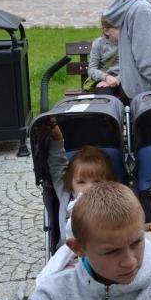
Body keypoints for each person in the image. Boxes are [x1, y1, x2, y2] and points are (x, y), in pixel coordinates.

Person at [25, 182, 151, 300]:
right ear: (77, 248)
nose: (130, 261)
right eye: (111, 251)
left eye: (136, 242)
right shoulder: (49, 299)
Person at [36, 119, 118, 286]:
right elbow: (57, 164)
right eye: (81, 182)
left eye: (96, 182)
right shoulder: (66, 194)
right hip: (68, 255)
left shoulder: (111, 200)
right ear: (71, 183)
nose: (88, 188)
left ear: (108, 183)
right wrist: (57, 138)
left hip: (100, 254)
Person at [85, 16, 123, 99]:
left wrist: (116, 80)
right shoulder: (98, 44)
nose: (123, 30)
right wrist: (106, 78)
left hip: (124, 80)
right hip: (104, 81)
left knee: (129, 95)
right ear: (106, 31)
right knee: (103, 99)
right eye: (118, 28)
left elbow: (132, 68)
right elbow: (92, 69)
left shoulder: (128, 43)